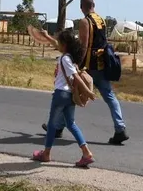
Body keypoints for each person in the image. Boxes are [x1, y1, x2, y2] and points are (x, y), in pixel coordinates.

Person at [41, 0, 128, 145]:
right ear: (94, 5)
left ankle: (57, 127)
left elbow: (84, 45)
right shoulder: (101, 20)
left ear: (82, 7)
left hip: (89, 66)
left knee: (70, 93)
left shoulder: (84, 21)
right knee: (110, 96)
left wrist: (77, 65)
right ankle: (120, 128)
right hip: (102, 64)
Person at [31, 29, 96, 168]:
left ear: (65, 45)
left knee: (52, 125)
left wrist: (88, 91)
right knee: (71, 124)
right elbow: (56, 43)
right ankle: (86, 153)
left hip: (61, 95)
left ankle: (46, 154)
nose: (57, 45)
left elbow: (77, 77)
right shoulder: (70, 58)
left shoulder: (64, 58)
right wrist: (47, 36)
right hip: (69, 96)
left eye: (59, 42)